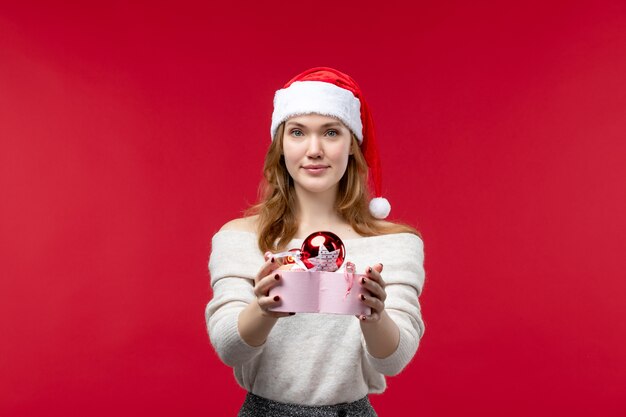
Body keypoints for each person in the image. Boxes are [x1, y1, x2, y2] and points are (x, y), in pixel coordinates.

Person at [205, 67, 426, 417]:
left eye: (331, 132)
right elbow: (229, 349)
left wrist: (374, 314)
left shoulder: (396, 244)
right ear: (280, 146)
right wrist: (265, 308)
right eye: (297, 132)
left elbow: (394, 361)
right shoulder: (239, 237)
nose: (314, 150)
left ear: (352, 146)